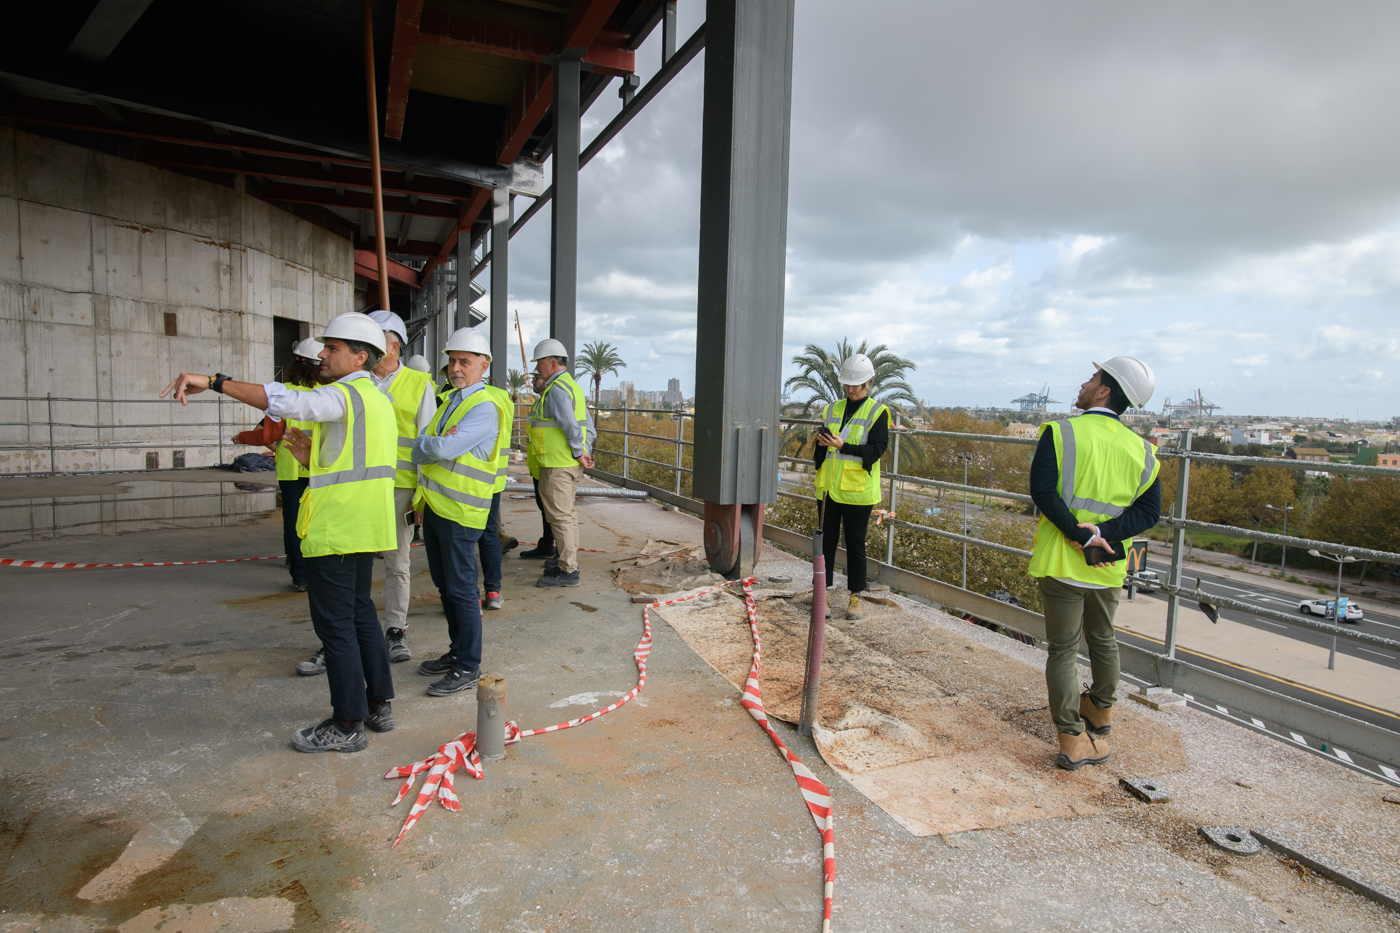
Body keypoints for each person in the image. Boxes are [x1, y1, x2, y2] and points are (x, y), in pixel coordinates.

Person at [161, 312, 398, 753]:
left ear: (359, 357)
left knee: (336, 628)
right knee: (360, 614)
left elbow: (289, 401)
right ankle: (377, 702)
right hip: (365, 525)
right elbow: (353, 465)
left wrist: (214, 381)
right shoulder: (374, 399)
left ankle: (347, 724)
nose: (322, 355)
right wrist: (315, 459)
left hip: (338, 527)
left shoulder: (344, 394)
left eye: (332, 348)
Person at [1028, 357, 1162, 771]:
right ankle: (1100, 710)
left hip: (1063, 559)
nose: (1084, 383)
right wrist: (1105, 533)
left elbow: (1042, 491)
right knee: (1103, 638)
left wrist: (1081, 531)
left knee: (1064, 650)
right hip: (1106, 564)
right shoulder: (1143, 451)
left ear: (1104, 391)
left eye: (1092, 378)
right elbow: (1149, 513)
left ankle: (1072, 738)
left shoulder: (1062, 432)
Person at [411, 328, 508, 696]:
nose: (456, 367)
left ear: (484, 365)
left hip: (461, 512)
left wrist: (430, 445)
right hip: (438, 507)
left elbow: (442, 448)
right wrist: (431, 445)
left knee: (463, 590)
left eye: (465, 361)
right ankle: (457, 653)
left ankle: (468, 665)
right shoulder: (451, 399)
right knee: (446, 587)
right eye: (452, 360)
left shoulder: (482, 407)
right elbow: (430, 444)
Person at [366, 310, 438, 664]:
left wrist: (421, 496)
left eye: (375, 341)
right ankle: (349, 630)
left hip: (399, 489)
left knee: (397, 563)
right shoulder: (356, 381)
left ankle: (395, 630)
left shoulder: (417, 384)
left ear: (394, 346)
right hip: (359, 489)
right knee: (353, 564)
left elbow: (425, 444)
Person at [812, 353, 889, 622]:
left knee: (855, 544)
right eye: (847, 384)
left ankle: (856, 597)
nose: (851, 389)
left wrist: (843, 446)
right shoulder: (832, 409)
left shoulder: (878, 411)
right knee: (826, 543)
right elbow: (819, 455)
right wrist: (822, 445)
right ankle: (824, 594)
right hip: (829, 488)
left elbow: (876, 450)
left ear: (868, 383)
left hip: (857, 492)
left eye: (856, 385)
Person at [245, 338, 324, 593]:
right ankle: (314, 570)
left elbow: (265, 434)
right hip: (319, 465)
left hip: (290, 466)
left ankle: (298, 573)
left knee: (292, 519)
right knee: (316, 519)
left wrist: (279, 448)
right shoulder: (328, 393)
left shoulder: (283, 393)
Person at [525, 339, 595, 587]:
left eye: (540, 363)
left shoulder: (556, 389)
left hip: (558, 463)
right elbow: (587, 424)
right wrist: (585, 451)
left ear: (553, 363)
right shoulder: (571, 386)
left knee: (561, 516)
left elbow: (569, 424)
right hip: (566, 462)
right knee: (567, 515)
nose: (538, 368)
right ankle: (567, 562)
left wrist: (578, 451)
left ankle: (568, 571)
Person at [518, 367, 556, 561]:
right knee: (545, 509)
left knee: (554, 511)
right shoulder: (539, 404)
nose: (533, 381)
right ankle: (547, 545)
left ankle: (558, 551)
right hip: (539, 465)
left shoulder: (553, 401)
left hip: (551, 465)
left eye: (536, 377)